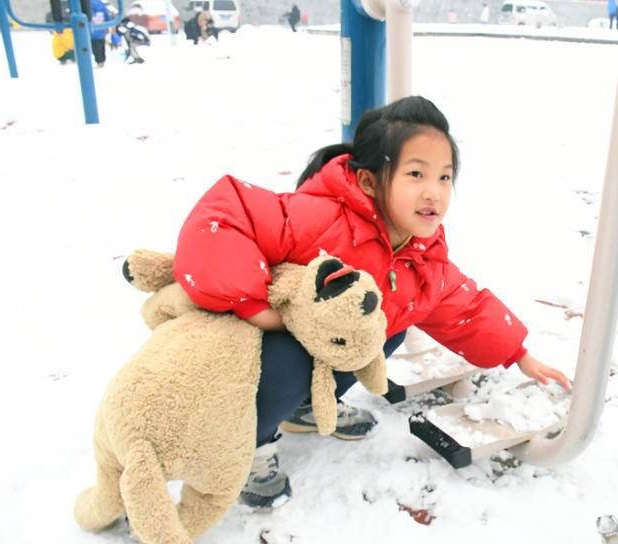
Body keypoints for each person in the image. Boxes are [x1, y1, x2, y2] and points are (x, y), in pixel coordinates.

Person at [172, 96, 572, 509]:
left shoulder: (420, 253)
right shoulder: (320, 218)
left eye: (444, 177)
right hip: (263, 350)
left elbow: (459, 303)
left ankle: (306, 406)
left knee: (391, 321)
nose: (433, 193)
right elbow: (221, 217)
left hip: (326, 345)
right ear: (369, 182)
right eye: (416, 174)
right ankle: (246, 445)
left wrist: (518, 353)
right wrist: (258, 309)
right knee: (287, 360)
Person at [88, 0, 111, 67]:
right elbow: (107, 15)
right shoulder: (101, 3)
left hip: (92, 30)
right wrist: (107, 25)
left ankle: (99, 61)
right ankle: (102, 60)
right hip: (101, 28)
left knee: (95, 46)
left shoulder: (87, 3)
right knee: (101, 44)